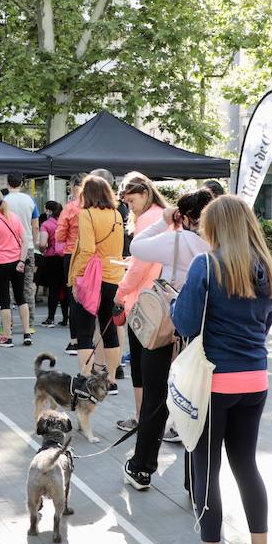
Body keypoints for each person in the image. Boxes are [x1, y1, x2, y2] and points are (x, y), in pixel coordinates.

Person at [169, 196, 272, 544]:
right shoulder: (266, 269)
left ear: (214, 227)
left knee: (205, 467)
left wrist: (173, 303)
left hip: (214, 382)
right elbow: (266, 323)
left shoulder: (206, 265)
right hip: (256, 379)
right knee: (246, 465)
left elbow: (184, 324)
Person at [124, 189, 214, 486]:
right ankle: (195, 479)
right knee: (196, 403)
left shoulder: (179, 239)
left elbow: (137, 247)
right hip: (203, 335)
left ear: (186, 217)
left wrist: (163, 221)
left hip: (167, 329)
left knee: (155, 399)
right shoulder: (222, 246)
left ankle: (142, 468)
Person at [113, 173, 168, 432]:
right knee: (158, 366)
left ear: (144, 194)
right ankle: (153, 417)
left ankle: (140, 417)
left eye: (131, 201)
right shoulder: (164, 214)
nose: (130, 206)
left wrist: (120, 292)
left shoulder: (147, 218)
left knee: (140, 364)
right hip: (162, 298)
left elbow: (141, 264)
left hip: (143, 301)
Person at [67, 176, 125, 382]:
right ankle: (111, 380)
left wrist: (76, 277)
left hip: (92, 279)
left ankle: (84, 377)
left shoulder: (87, 215)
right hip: (114, 277)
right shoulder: (117, 214)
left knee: (85, 331)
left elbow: (87, 249)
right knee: (108, 330)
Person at [0, 189, 30, 348]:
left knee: (5, 301)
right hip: (17, 261)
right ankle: (27, 333)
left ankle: (7, 337)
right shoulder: (13, 217)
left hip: (0, 262)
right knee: (21, 297)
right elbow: (24, 240)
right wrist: (22, 260)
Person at [3, 173, 40, 329]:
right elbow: (35, 225)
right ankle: (29, 323)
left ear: (7, 183)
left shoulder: (4, 201)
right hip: (28, 247)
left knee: (8, 287)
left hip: (8, 248)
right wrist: (34, 241)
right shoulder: (30, 200)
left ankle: (8, 324)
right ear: (22, 183)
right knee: (27, 286)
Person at [54, 175, 87, 349]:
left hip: (72, 254)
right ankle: (89, 337)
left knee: (73, 297)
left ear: (75, 187)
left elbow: (59, 235)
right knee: (90, 297)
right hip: (92, 256)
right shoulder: (95, 207)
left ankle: (75, 340)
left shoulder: (70, 208)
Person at [38, 201, 69, 327]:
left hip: (52, 259)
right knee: (65, 288)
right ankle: (66, 318)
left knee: (53, 289)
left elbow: (42, 244)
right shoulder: (66, 223)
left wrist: (42, 250)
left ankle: (51, 318)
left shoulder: (46, 224)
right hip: (66, 257)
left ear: (49, 211)